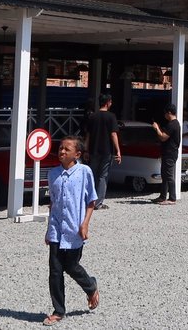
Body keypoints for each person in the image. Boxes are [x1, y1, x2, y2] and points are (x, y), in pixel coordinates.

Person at [43, 137, 99, 326]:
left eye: (67, 149)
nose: (62, 152)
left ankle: (90, 286)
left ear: (77, 154)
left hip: (75, 229)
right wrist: (48, 230)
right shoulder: (53, 174)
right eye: (60, 148)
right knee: (55, 271)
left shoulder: (85, 172)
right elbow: (53, 202)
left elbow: (91, 201)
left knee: (71, 265)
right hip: (56, 229)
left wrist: (85, 224)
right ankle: (58, 310)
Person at [83, 93, 120, 210]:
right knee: (103, 176)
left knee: (92, 175)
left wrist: (86, 150)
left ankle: (89, 200)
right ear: (108, 102)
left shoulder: (92, 116)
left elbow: (88, 135)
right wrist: (118, 151)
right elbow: (113, 134)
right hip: (106, 151)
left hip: (93, 150)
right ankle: (98, 203)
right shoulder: (111, 117)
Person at [151, 105, 182, 204]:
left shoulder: (173, 124)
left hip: (170, 153)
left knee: (169, 175)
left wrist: (156, 129)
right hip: (167, 152)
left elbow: (163, 137)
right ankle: (163, 196)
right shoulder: (173, 124)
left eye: (165, 113)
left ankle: (172, 198)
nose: (164, 115)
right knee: (164, 175)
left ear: (169, 113)